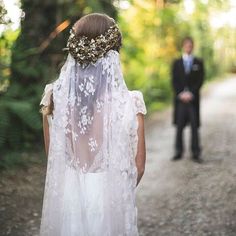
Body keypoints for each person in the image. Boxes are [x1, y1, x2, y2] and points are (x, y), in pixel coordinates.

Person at [39, 13, 147, 236]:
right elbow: (139, 168)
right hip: (110, 200)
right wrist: (115, 191)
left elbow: (53, 157)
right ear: (112, 54)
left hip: (69, 200)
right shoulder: (130, 103)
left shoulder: (53, 98)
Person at [171, 36, 204, 162]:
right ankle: (178, 151)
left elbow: (200, 80)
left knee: (195, 127)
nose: (188, 47)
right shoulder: (176, 63)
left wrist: (191, 93)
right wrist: (180, 93)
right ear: (183, 46)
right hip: (180, 101)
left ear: (193, 46)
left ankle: (196, 152)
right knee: (179, 127)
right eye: (186, 45)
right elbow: (174, 80)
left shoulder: (198, 62)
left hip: (193, 100)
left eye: (190, 45)